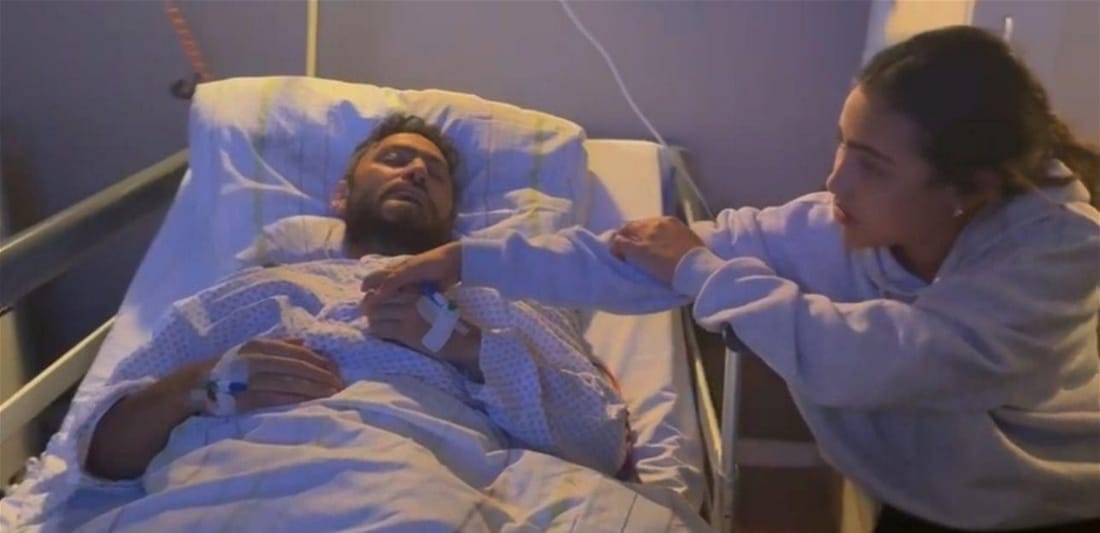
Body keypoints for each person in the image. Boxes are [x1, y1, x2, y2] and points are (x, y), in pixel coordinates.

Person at [361, 27, 1100, 531]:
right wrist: (467, 258)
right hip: (930, 489)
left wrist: (702, 271)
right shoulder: (827, 226)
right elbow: (631, 262)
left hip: (1047, 503)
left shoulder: (1055, 254)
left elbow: (885, 360)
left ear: (965, 189)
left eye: (872, 165)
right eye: (843, 146)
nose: (835, 181)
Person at [76, 113, 630, 485]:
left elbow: (599, 443)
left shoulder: (505, 295)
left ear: (452, 216)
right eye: (395, 158)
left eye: (434, 173)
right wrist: (202, 384)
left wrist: (464, 346)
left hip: (421, 482)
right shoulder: (258, 287)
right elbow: (100, 451)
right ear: (341, 195)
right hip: (239, 478)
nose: (416, 171)